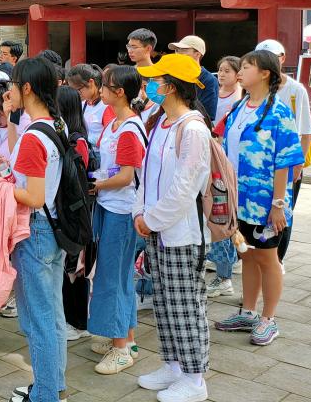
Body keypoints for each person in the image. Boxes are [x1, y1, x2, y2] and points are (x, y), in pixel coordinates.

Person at [132, 53, 212, 402]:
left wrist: (151, 219)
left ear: (172, 87)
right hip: (157, 228)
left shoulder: (192, 129)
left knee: (185, 306)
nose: (150, 85)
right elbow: (146, 176)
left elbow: (185, 188)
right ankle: (173, 365)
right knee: (164, 303)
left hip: (180, 233)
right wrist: (140, 212)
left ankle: (195, 379)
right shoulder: (161, 122)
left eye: (156, 80)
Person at [214, 50, 304, 347]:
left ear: (265, 73)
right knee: (247, 254)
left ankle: (269, 319)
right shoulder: (240, 106)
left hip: (265, 203)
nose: (240, 71)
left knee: (268, 258)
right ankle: (249, 312)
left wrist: (278, 205)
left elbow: (284, 162)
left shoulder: (279, 112)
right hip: (238, 199)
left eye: (247, 66)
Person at [0, 58, 67, 402]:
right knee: (51, 315)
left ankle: (45, 394)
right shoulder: (55, 125)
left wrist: (0, 185)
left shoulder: (33, 137)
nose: (8, 92)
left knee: (38, 320)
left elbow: (34, 196)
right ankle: (53, 387)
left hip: (35, 231)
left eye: (12, 85)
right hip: (53, 229)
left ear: (26, 88)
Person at [87, 66, 147, 375]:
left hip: (121, 211)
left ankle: (121, 348)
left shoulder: (129, 129)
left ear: (119, 92)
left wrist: (96, 185)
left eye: (106, 86)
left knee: (113, 277)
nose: (101, 90)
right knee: (118, 276)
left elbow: (125, 176)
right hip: (110, 206)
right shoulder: (115, 123)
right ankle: (127, 339)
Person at [253, 39, 311, 263]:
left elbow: (305, 131)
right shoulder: (254, 89)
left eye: (272, 58)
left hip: (287, 164)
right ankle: (260, 257)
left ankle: (278, 259)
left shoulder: (296, 90)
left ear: (282, 59)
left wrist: (299, 165)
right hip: (259, 164)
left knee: (283, 213)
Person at [55, 86, 93, 342]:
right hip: (68, 210)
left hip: (74, 212)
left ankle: (78, 322)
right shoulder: (66, 135)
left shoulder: (77, 140)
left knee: (75, 268)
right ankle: (70, 318)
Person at [205, 56, 243, 298]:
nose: (221, 74)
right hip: (218, 166)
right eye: (220, 70)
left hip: (227, 172)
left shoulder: (241, 102)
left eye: (228, 70)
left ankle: (225, 275)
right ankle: (223, 269)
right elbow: (217, 132)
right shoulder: (218, 97)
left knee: (223, 222)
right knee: (219, 222)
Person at [168, 35, 219, 119]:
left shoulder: (209, 80)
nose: (178, 54)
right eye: (177, 50)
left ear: (197, 54)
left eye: (183, 50)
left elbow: (207, 115)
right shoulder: (171, 75)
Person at [68, 64, 114, 145]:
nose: (77, 93)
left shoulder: (106, 106)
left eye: (79, 89)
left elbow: (110, 137)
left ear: (91, 82)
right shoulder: (82, 104)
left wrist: (86, 140)